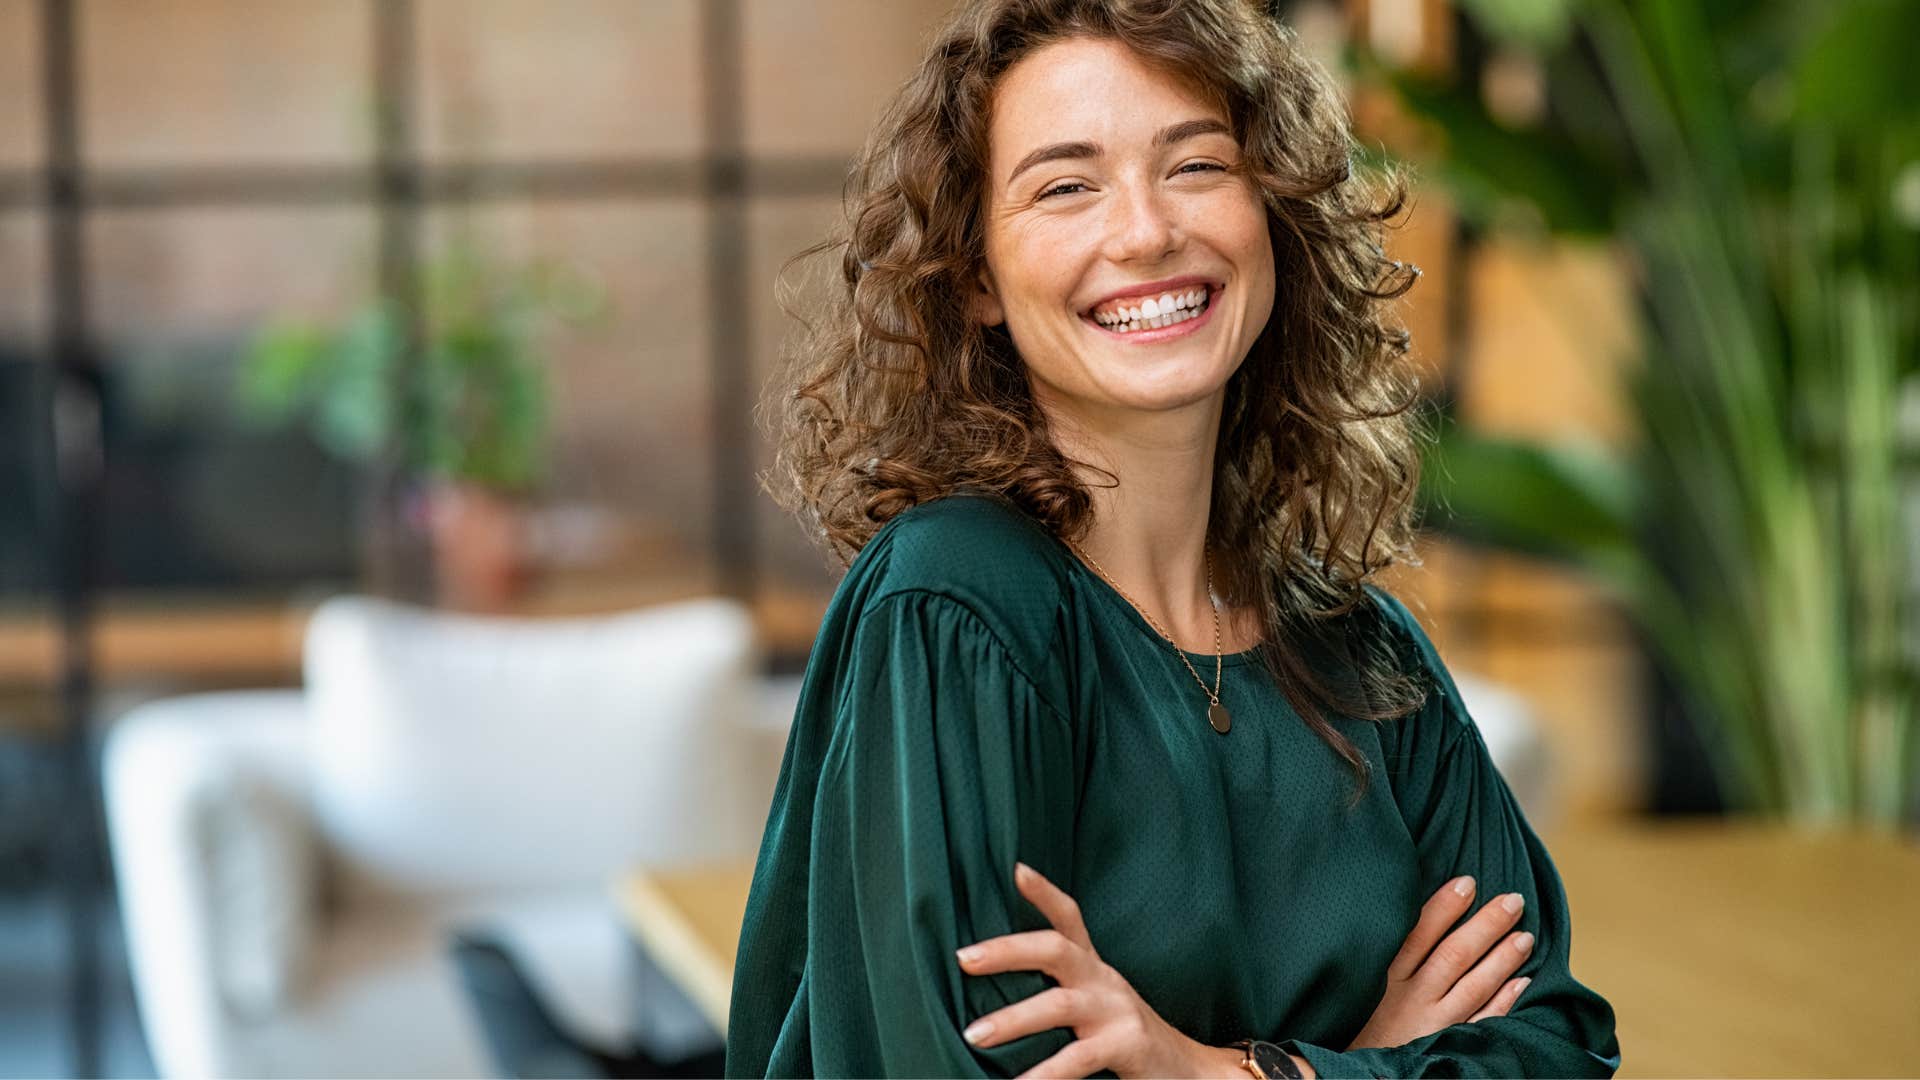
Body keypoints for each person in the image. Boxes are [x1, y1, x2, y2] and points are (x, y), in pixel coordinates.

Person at [725, 0, 1621, 1076]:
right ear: (974, 280)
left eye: (1196, 166)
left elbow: (1557, 1048)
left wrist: (1219, 1069)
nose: (1146, 230)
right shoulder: (957, 605)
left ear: (1273, 213)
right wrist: (1370, 1058)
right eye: (1066, 185)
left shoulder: (1366, 655)